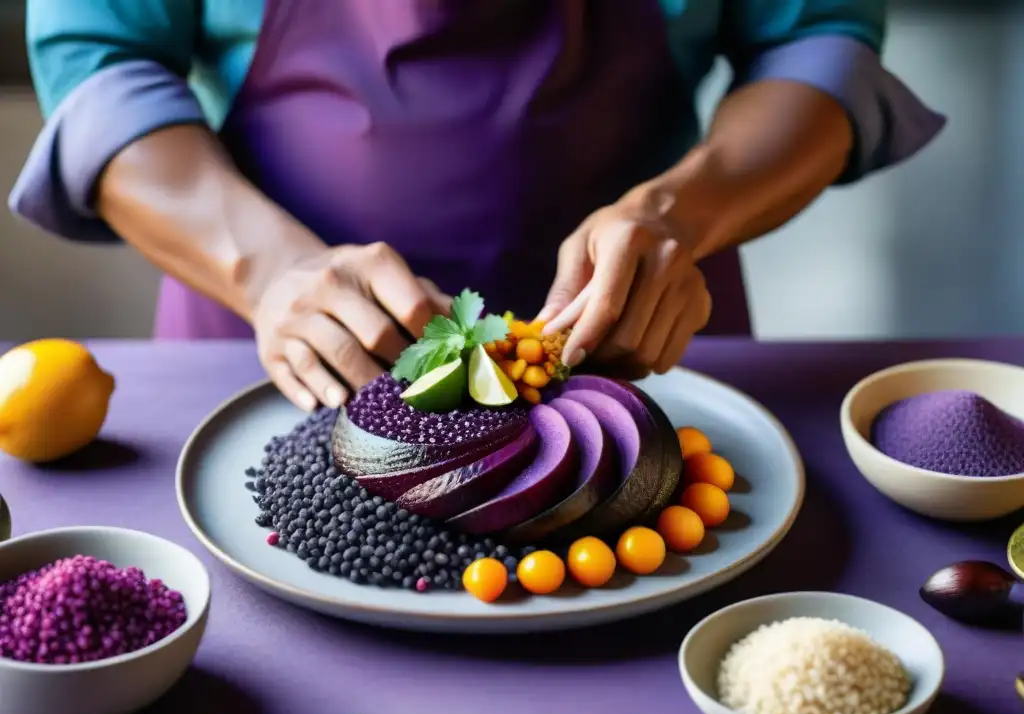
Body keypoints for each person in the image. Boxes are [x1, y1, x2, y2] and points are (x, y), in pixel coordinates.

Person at [10, 0, 944, 411]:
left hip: (641, 359)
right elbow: (99, 60)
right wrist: (267, 270)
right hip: (269, 367)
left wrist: (680, 215)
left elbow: (818, 45)